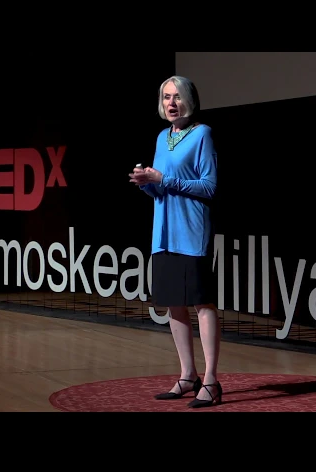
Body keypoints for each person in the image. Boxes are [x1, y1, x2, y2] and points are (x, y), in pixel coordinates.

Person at [128, 75, 222, 408]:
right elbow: (160, 189)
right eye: (167, 97)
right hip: (164, 233)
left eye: (178, 97)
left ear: (189, 101)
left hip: (191, 232)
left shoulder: (202, 134)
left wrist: (164, 179)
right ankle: (187, 375)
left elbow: (209, 186)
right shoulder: (161, 137)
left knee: (201, 304)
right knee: (174, 305)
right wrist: (146, 183)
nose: (172, 103)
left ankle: (211, 380)